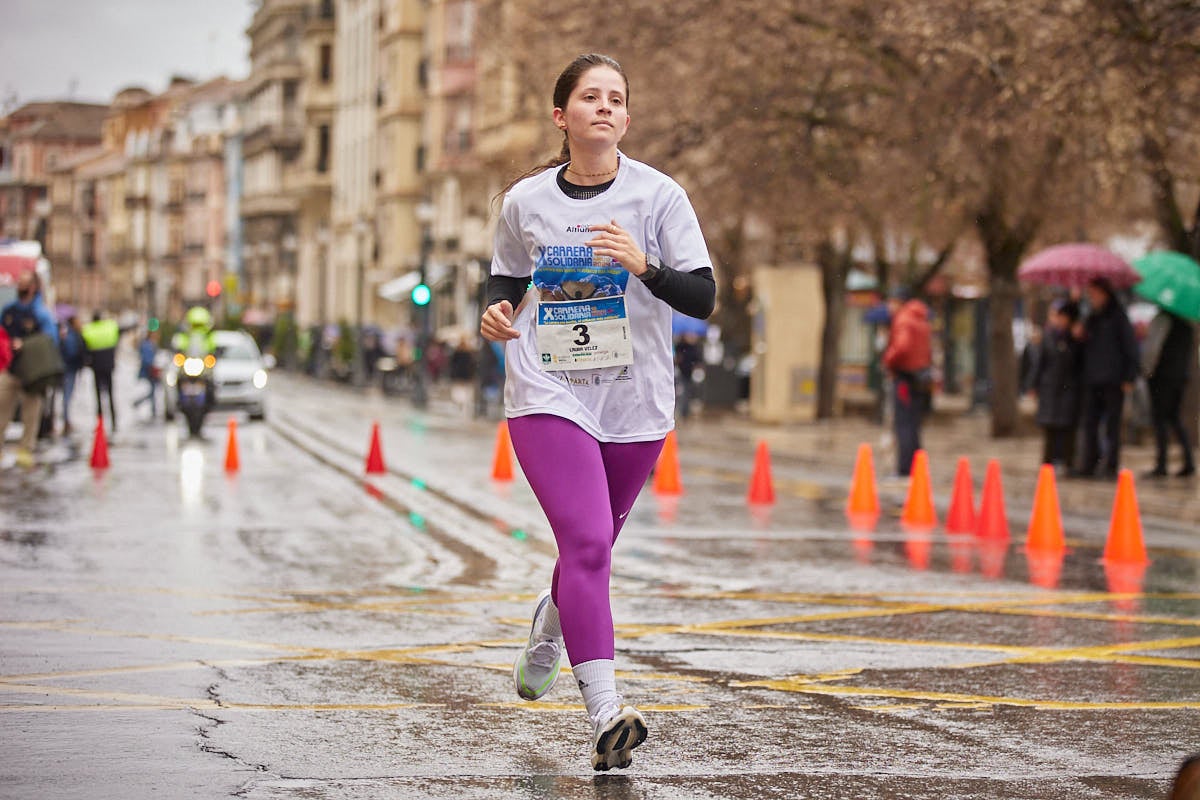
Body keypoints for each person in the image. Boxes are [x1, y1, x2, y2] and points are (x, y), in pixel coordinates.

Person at [479, 53, 715, 771]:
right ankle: (608, 714)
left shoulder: (659, 196)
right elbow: (504, 280)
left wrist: (644, 265)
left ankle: (550, 626)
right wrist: (491, 314)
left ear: (626, 118)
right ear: (563, 116)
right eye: (590, 97)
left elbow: (702, 298)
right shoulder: (526, 201)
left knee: (592, 551)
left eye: (616, 98)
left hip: (634, 399)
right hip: (549, 392)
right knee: (586, 545)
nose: (605, 107)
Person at [1076, 277, 1139, 479]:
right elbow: (1083, 346)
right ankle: (1089, 464)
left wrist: (1129, 377)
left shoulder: (1119, 316)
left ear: (1104, 293)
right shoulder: (1091, 318)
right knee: (1090, 424)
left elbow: (1130, 347)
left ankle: (1111, 466)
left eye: (1093, 294)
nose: (1091, 298)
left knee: (1112, 426)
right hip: (1092, 378)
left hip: (1113, 379)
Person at [0, 270, 59, 468]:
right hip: (9, 368)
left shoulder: (41, 313)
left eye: (24, 283)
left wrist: (25, 344)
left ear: (33, 287)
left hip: (32, 372)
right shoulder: (9, 311)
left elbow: (50, 340)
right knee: (2, 411)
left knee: (30, 415)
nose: (19, 286)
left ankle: (26, 451)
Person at [882, 285, 932, 477]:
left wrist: (888, 359)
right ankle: (918, 465)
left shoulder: (903, 319)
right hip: (920, 376)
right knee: (914, 423)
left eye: (891, 302)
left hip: (904, 376)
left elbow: (902, 346)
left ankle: (905, 468)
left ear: (898, 302)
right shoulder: (922, 319)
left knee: (903, 423)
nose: (889, 306)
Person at [1028, 300, 1083, 471]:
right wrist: (1033, 384)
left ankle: (1068, 462)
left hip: (1068, 388)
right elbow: (1040, 362)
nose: (1059, 320)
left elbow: (1079, 363)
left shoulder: (1076, 339)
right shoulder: (1049, 336)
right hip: (1050, 387)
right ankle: (1048, 463)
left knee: (1067, 427)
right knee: (1050, 427)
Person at [1140, 308, 1196, 478]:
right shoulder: (1188, 323)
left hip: (1162, 377)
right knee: (1175, 418)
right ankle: (1188, 462)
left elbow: (1152, 349)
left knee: (1160, 420)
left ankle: (1161, 465)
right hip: (1180, 377)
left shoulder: (1163, 319)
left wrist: (1146, 370)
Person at [81, 311, 121, 433]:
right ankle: (114, 422)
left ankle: (100, 422)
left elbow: (84, 348)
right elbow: (118, 333)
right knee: (110, 394)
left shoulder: (89, 330)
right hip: (108, 366)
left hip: (96, 367)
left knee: (98, 396)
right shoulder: (109, 328)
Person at [58, 315, 85, 435]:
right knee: (67, 396)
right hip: (69, 369)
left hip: (70, 368)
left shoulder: (72, 334)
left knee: (67, 396)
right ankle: (66, 421)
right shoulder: (70, 336)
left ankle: (66, 420)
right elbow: (71, 352)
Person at [132, 328, 161, 420]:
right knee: (151, 391)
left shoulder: (152, 344)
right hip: (149, 371)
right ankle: (142, 404)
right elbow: (147, 359)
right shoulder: (147, 345)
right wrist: (151, 368)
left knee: (152, 391)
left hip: (151, 371)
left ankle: (153, 410)